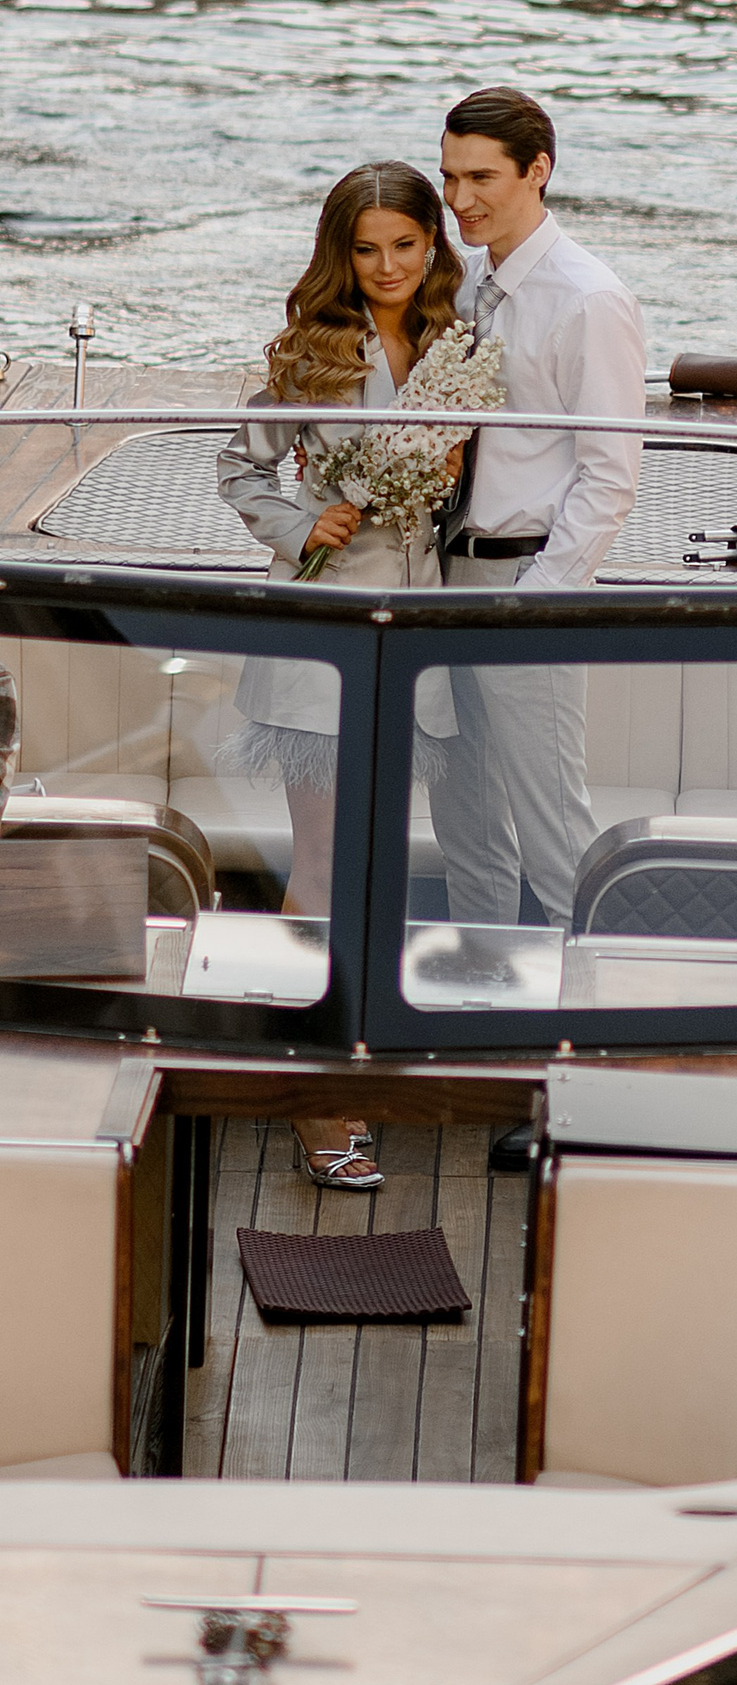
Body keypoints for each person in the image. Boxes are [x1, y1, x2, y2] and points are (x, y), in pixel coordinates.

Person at [217, 162, 467, 1189]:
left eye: (404, 245)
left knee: (380, 866)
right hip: (321, 639)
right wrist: (298, 522)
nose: (387, 266)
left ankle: (359, 1057)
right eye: (366, 250)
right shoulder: (310, 352)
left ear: (431, 245)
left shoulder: (459, 348)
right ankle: (314, 1094)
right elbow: (240, 468)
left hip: (417, 640)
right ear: (342, 255)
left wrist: (454, 479)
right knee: (323, 867)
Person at [432, 88, 647, 934]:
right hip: (446, 578)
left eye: (481, 177)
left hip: (527, 581)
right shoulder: (465, 286)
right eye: (449, 176)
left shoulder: (590, 299)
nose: (459, 199)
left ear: (538, 170)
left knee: (555, 836)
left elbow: (610, 476)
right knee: (466, 830)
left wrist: (539, 599)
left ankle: (595, 1001)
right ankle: (476, 989)